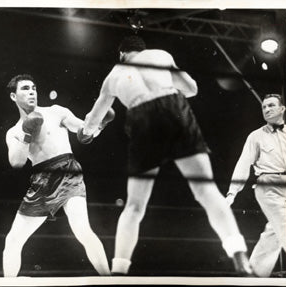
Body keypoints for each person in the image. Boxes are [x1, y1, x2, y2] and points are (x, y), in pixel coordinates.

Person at [78, 35, 254, 276]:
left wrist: (89, 131)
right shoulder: (160, 55)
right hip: (173, 107)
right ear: (142, 50)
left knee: (134, 206)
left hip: (141, 115)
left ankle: (118, 272)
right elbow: (191, 89)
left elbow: (93, 121)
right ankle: (239, 253)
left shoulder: (112, 78)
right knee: (206, 190)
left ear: (121, 55)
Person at [3, 74, 111, 276]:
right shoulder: (14, 131)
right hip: (42, 180)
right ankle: (8, 284)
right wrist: (27, 133)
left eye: (33, 87)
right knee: (13, 240)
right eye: (25, 88)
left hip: (69, 171)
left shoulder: (55, 112)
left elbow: (84, 132)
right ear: (13, 96)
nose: (32, 91)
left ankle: (109, 280)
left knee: (83, 230)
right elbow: (16, 162)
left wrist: (99, 125)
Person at [226, 93, 286, 277]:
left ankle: (254, 276)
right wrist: (232, 193)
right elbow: (243, 164)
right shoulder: (256, 136)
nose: (267, 110)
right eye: (264, 107)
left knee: (274, 233)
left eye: (271, 105)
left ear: (282, 109)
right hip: (268, 185)